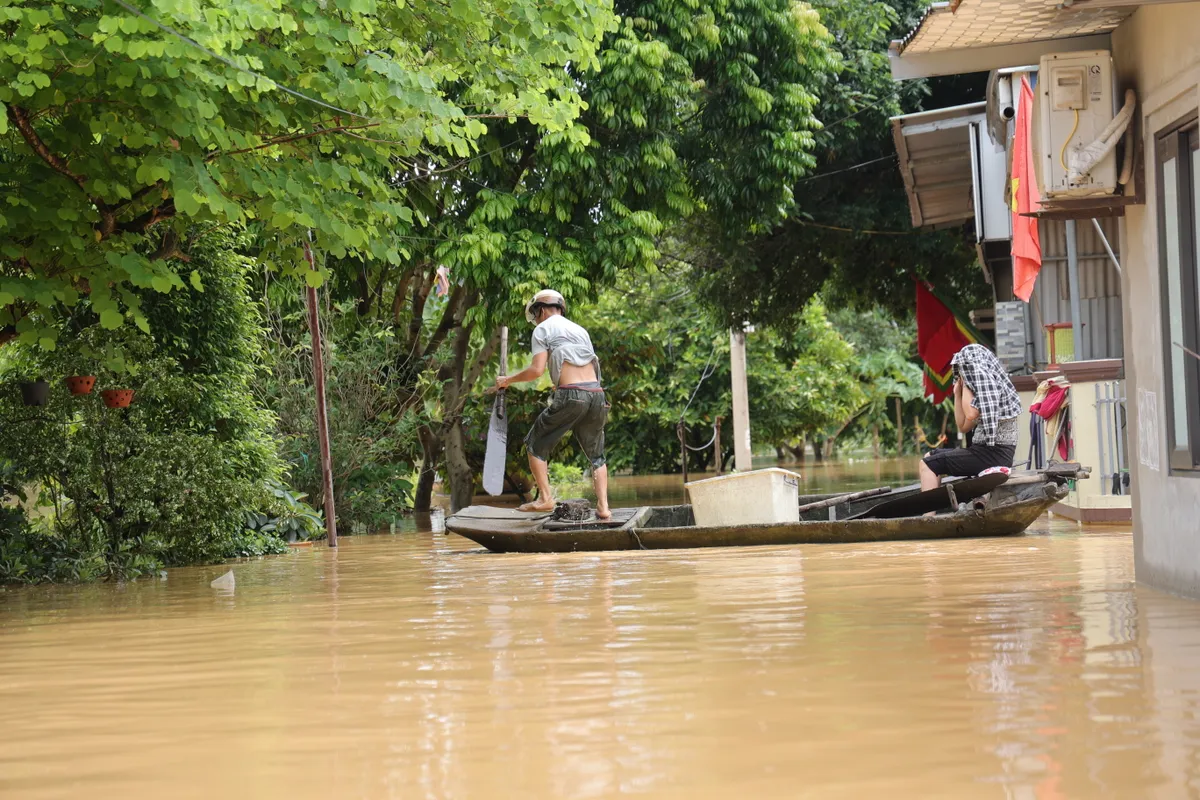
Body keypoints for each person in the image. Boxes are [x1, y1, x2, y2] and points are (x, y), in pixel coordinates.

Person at [493, 289, 611, 519]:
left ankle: (545, 498)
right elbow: (588, 363)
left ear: (542, 310)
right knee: (597, 455)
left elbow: (536, 370)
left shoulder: (542, 329)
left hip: (572, 394)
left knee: (534, 443)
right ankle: (604, 508)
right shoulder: (580, 330)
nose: (536, 320)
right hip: (596, 394)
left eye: (536, 315)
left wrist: (507, 380)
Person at [918, 343, 1022, 491]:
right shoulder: (983, 396)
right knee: (930, 455)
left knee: (928, 463)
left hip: (993, 455)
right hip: (985, 453)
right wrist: (957, 393)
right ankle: (935, 504)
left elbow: (971, 413)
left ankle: (929, 514)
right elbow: (963, 425)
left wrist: (966, 383)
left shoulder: (992, 393)